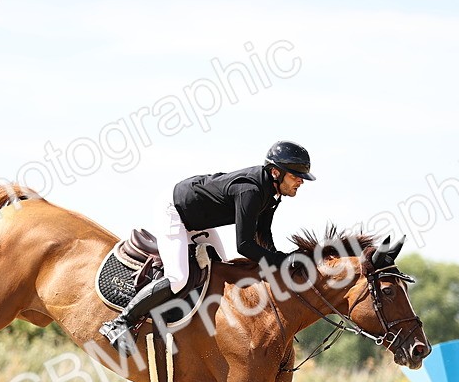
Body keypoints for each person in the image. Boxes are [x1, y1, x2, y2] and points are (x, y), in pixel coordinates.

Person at [100, 140, 316, 355]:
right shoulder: (251, 190)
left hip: (198, 221)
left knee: (222, 273)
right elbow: (244, 245)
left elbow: (262, 235)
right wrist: (281, 261)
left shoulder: (271, 194)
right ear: (276, 173)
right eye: (296, 176)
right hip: (175, 211)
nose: (301, 182)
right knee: (178, 278)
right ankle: (120, 323)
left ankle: (195, 332)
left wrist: (281, 260)